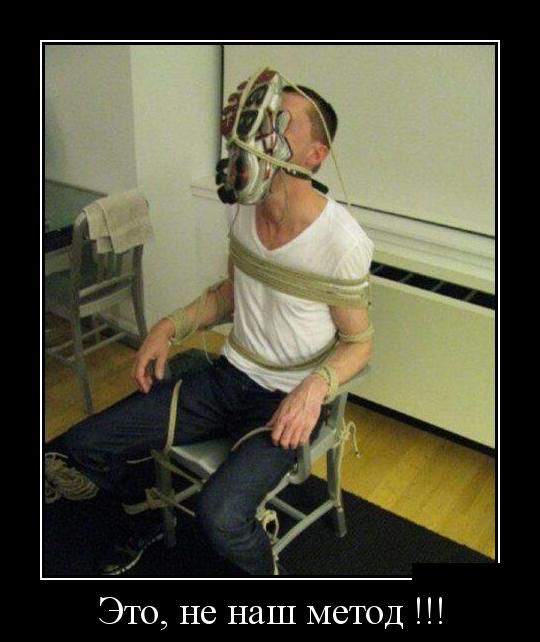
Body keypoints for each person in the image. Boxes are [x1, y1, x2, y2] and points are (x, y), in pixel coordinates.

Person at [45, 80, 375, 577]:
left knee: (219, 515)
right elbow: (230, 296)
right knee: (80, 446)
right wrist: (167, 326)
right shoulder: (243, 208)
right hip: (228, 379)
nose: (262, 135)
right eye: (263, 120)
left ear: (315, 155)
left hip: (284, 401)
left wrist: (314, 388)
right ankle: (143, 511)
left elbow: (359, 342)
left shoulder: (341, 241)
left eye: (281, 124)